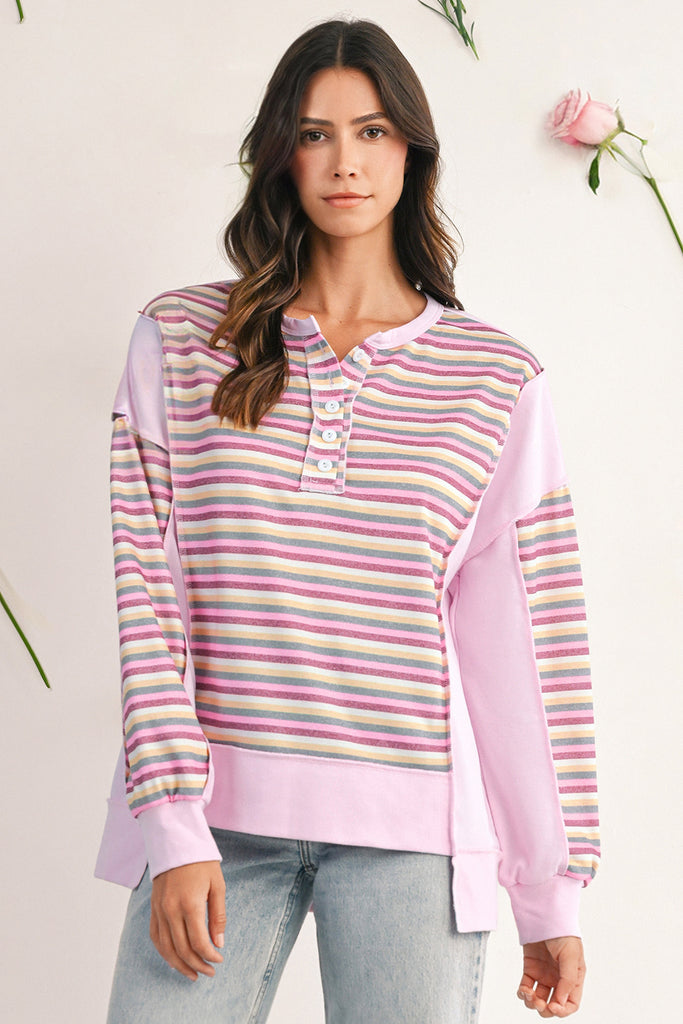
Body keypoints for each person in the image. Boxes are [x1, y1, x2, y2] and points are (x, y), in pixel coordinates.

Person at [96, 16, 600, 1023]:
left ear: (411, 150)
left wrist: (546, 888)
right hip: (215, 822)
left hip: (413, 843)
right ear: (280, 152)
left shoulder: (493, 378)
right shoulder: (183, 339)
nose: (344, 162)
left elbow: (523, 647)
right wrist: (174, 825)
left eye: (371, 131)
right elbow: (148, 597)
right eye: (314, 133)